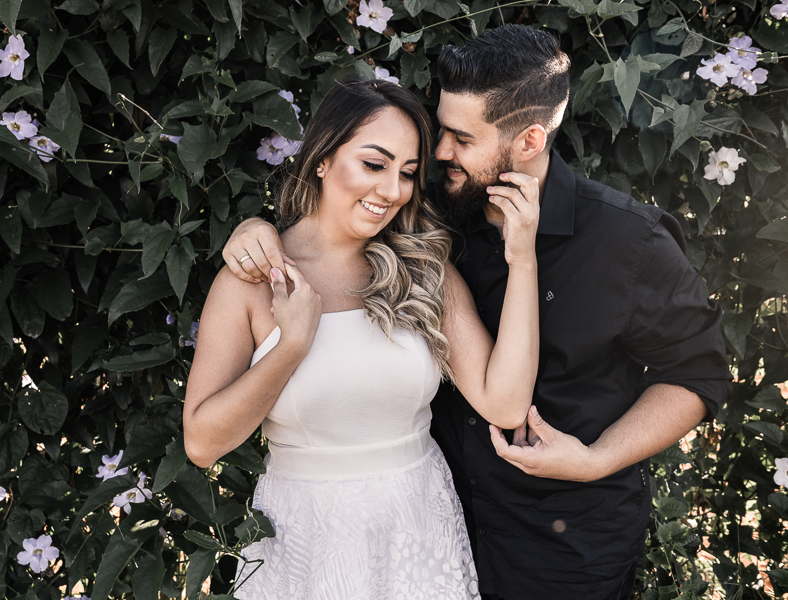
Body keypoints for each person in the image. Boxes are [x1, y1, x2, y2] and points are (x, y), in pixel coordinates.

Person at [221, 25, 731, 600]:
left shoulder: (626, 241)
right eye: (441, 131)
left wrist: (596, 459)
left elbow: (697, 373)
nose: (440, 153)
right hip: (432, 533)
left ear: (530, 140)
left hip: (562, 549)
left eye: (462, 138)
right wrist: (257, 230)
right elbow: (330, 230)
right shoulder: (423, 218)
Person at [183, 77, 543, 599]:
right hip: (306, 538)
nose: (392, 191)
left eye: (408, 173)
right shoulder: (253, 279)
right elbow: (201, 444)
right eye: (375, 165)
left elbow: (505, 403)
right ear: (323, 158)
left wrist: (522, 258)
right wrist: (291, 346)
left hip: (416, 528)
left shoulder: (422, 268)